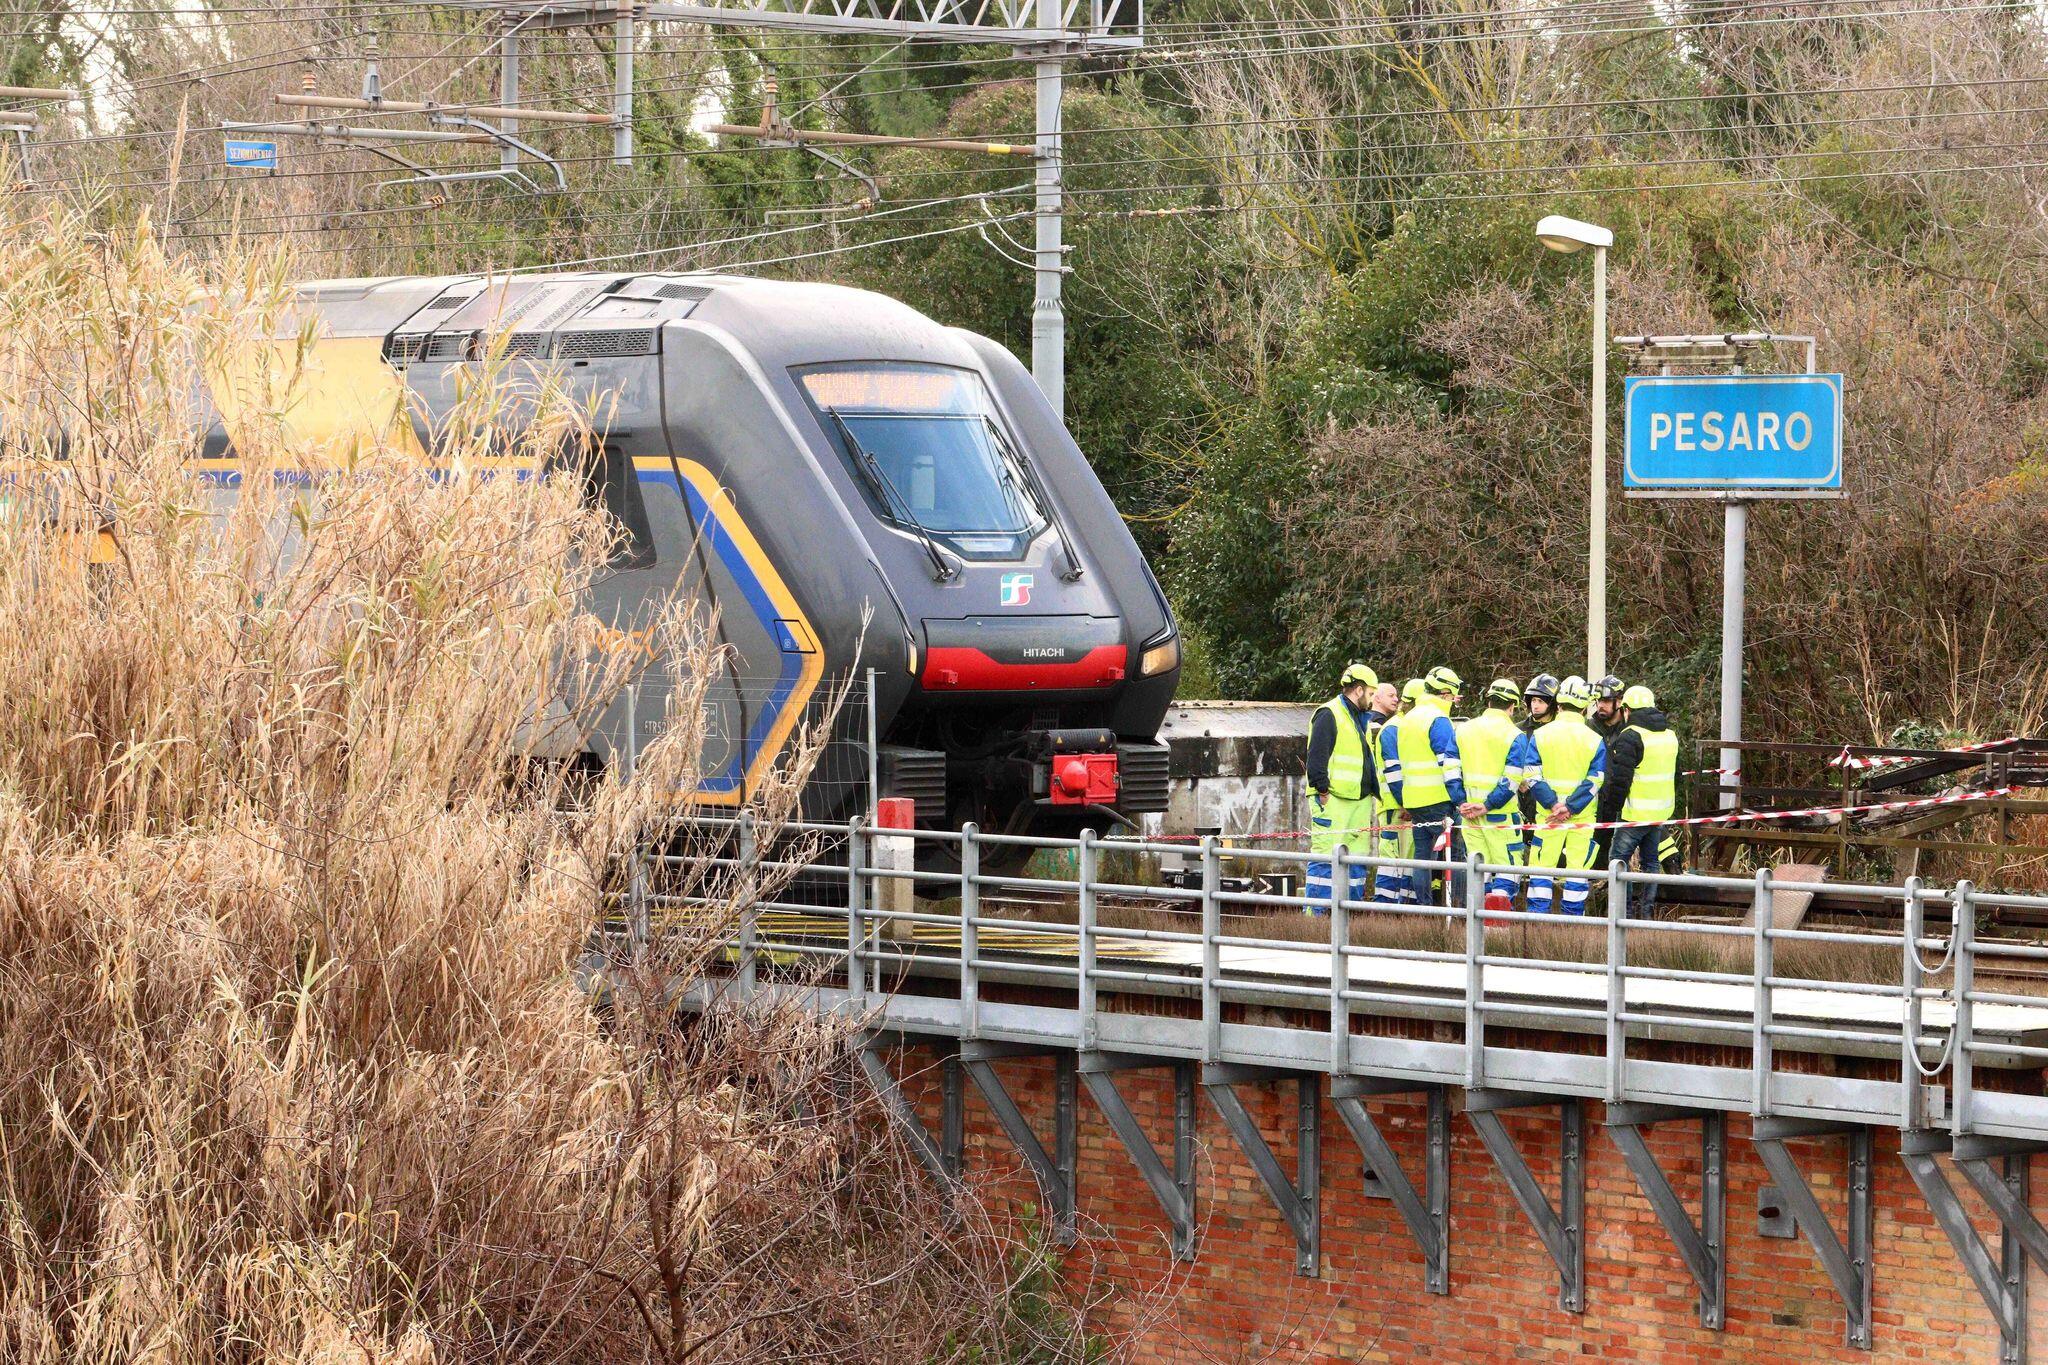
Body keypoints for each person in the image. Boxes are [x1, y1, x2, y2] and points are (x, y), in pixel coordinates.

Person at [1382, 666, 1468, 907]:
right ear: (1445, 693)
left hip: (1414, 801)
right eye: (1453, 696)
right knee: (1457, 855)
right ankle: (1461, 910)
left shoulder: (1407, 719)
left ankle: (1425, 909)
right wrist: (1460, 799)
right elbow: (1448, 765)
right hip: (1440, 800)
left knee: (1423, 858)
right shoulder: (1438, 719)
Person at [1524, 675, 1607, 915]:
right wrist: (1570, 807)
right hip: (1581, 818)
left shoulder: (1541, 735)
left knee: (1541, 869)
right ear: (1584, 708)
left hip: (1548, 816)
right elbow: (1595, 780)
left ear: (1558, 705)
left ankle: (1538, 919)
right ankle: (1572, 923)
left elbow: (1531, 775)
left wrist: (1553, 805)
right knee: (1577, 872)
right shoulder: (1594, 739)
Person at [1305, 662, 1381, 909]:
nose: (1373, 700)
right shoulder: (1329, 713)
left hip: (1358, 800)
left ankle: (1350, 915)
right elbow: (1317, 757)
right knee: (1326, 860)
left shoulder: (1361, 719)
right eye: (1371, 693)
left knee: (1356, 862)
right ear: (1358, 690)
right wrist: (1323, 790)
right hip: (1333, 799)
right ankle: (1315, 918)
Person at [1603, 684, 1678, 919]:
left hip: (1634, 815)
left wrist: (1610, 809)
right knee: (1651, 863)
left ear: (1626, 709)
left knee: (1618, 863)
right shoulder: (1669, 735)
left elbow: (1620, 780)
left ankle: (1622, 915)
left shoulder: (1630, 736)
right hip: (1658, 814)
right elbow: (1676, 775)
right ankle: (1646, 915)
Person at [1456, 678, 1529, 912]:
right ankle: (1498, 927)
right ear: (1512, 706)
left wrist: (1461, 802)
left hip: (1469, 815)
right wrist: (1488, 805)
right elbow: (1511, 780)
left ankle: (1479, 923)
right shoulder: (1515, 735)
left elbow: (1449, 769)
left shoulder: (1463, 730)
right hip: (1501, 816)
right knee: (1508, 869)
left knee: (1480, 870)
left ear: (1487, 701)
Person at [1367, 679, 1410, 906]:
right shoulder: (1378, 725)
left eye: (1397, 695)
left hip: (1392, 802)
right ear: (1376, 697)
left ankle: (1393, 906)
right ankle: (1384, 906)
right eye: (1391, 695)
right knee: (1391, 856)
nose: (1396, 699)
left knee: (1399, 857)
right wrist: (1405, 801)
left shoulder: (1391, 724)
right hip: (1392, 803)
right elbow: (1391, 769)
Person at [1516, 674, 1561, 863]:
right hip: (1522, 797)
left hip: (1550, 796)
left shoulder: (1560, 729)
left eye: (1541, 701)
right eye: (1533, 700)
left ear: (1552, 703)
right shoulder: (1519, 729)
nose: (1535, 705)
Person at [1588, 674, 1627, 868]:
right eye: (1598, 701)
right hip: (1593, 801)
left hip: (1620, 803)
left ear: (1618, 702)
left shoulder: (1630, 730)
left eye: (1605, 701)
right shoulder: (1589, 727)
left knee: (1617, 859)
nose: (1600, 705)